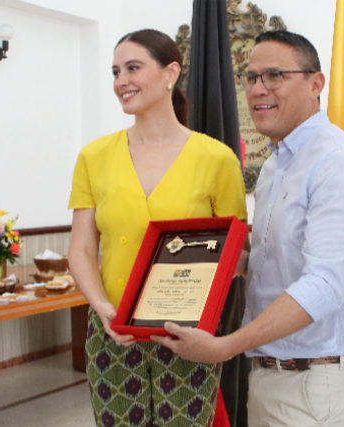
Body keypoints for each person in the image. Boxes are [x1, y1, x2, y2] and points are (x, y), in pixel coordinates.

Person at [152, 31, 344, 426]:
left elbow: (323, 285)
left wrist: (225, 347)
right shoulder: (277, 164)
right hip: (269, 374)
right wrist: (194, 254)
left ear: (316, 83)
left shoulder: (337, 161)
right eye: (251, 77)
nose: (259, 89)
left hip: (314, 383)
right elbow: (270, 262)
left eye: (275, 75)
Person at [67, 29, 247, 427]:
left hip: (187, 336)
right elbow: (80, 250)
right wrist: (104, 311)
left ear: (171, 74)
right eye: (115, 71)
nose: (120, 82)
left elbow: (235, 251)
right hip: (112, 333)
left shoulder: (216, 158)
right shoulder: (93, 157)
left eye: (133, 68)